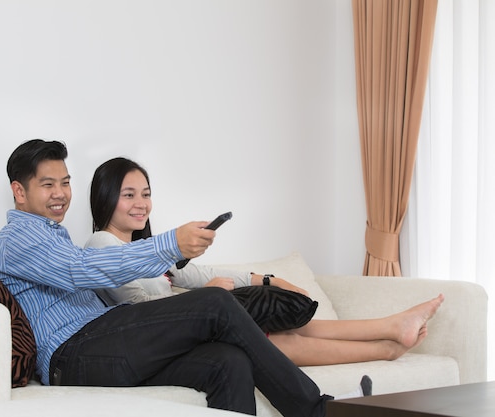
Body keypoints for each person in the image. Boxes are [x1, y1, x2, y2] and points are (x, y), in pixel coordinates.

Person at [0, 139, 339, 417]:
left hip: (101, 341)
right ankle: (314, 410)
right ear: (19, 191)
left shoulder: (50, 233)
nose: (60, 193)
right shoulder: (15, 239)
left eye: (64, 182)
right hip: (72, 355)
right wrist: (169, 244)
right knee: (215, 303)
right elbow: (79, 269)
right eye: (48, 185)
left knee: (227, 361)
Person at [85, 156, 445, 367]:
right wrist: (201, 299)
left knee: (283, 326)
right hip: (160, 343)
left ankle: (390, 330)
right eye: (128, 194)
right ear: (105, 197)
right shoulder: (102, 244)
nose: (141, 204)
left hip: (186, 326)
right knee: (268, 339)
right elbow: (138, 310)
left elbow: (202, 273)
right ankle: (385, 345)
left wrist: (266, 280)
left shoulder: (151, 251)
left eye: (146, 194)